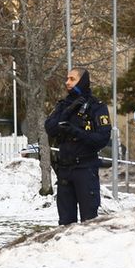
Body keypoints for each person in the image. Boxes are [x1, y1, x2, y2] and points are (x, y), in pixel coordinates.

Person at [44, 67, 112, 225]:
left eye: (72, 79)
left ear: (82, 81)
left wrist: (76, 132)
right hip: (64, 170)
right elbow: (50, 128)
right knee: (65, 221)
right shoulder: (63, 105)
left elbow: (102, 138)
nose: (67, 82)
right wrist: (67, 112)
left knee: (89, 220)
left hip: (85, 169)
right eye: (67, 78)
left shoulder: (96, 107)